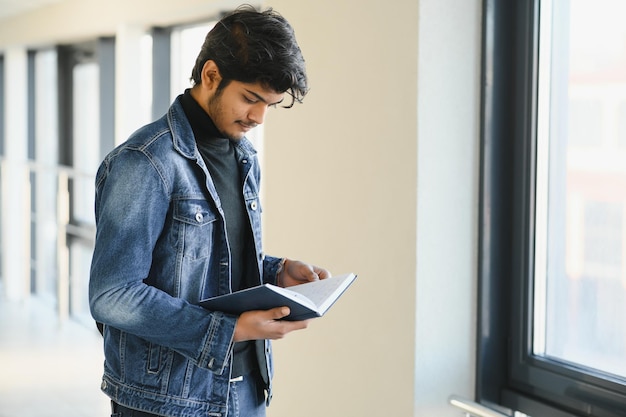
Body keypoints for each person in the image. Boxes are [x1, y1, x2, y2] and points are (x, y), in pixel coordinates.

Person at [89, 6, 330, 417]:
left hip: (247, 387)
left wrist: (275, 270)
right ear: (211, 75)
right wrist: (228, 330)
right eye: (250, 99)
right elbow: (112, 294)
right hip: (166, 400)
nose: (258, 117)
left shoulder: (244, 156)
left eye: (269, 104)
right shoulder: (145, 161)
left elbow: (208, 258)